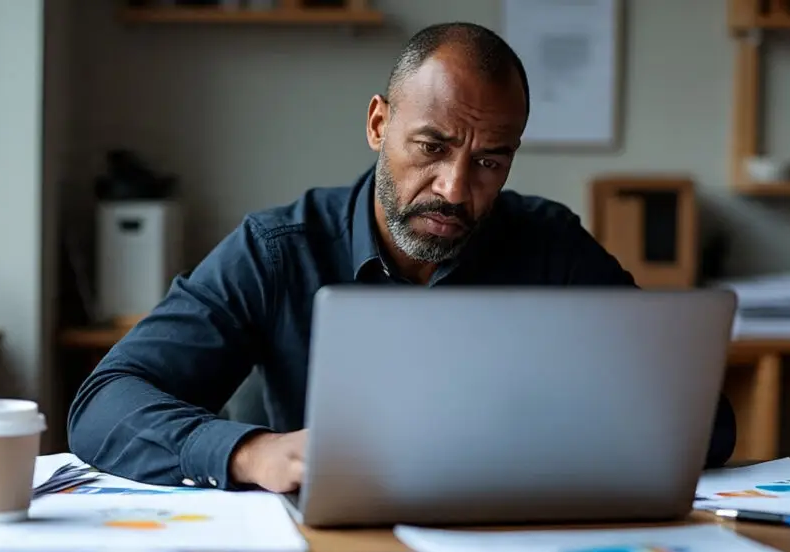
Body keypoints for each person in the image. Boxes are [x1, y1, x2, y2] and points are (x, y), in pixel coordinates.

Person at [68, 22, 736, 494]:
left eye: (489, 161)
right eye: (432, 146)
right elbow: (103, 403)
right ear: (378, 125)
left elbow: (703, 421)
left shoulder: (551, 246)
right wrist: (251, 452)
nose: (455, 187)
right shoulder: (278, 249)